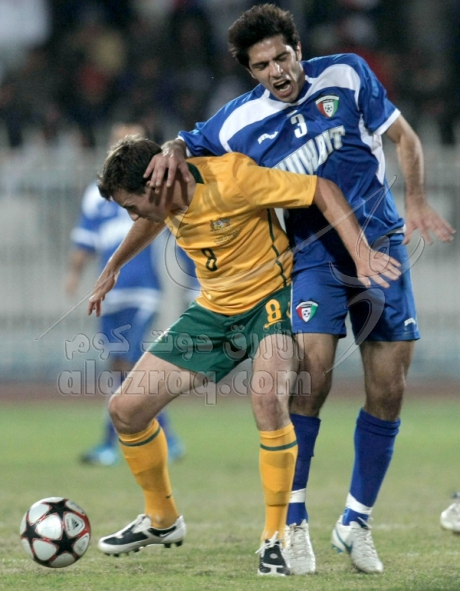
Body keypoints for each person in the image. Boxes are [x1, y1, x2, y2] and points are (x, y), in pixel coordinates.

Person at [143, 4, 456, 575]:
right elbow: (186, 143)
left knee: (389, 388)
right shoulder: (238, 123)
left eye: (282, 57)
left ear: (298, 50)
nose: (277, 71)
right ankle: (293, 522)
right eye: (262, 65)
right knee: (310, 382)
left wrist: (415, 199)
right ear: (250, 71)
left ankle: (356, 522)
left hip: (380, 244)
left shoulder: (347, 73)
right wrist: (170, 149)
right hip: (312, 257)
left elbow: (404, 137)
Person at [88, 135, 400, 576]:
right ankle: (162, 519)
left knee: (268, 400)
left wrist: (361, 252)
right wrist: (113, 266)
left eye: (131, 206)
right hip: (215, 310)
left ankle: (276, 538)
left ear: (157, 183)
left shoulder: (233, 178)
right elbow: (153, 218)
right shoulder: (164, 199)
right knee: (125, 409)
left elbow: (320, 189)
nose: (132, 216)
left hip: (272, 302)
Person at [66, 123, 185, 466]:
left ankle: (117, 441)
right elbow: (86, 238)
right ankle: (164, 436)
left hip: (143, 288)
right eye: (118, 140)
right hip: (112, 294)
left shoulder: (156, 190)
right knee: (121, 364)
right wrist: (75, 273)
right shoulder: (98, 195)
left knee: (131, 362)